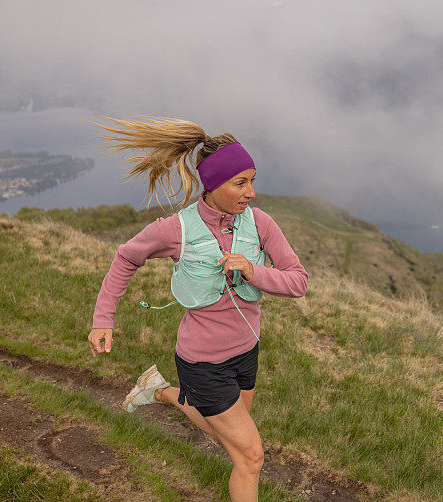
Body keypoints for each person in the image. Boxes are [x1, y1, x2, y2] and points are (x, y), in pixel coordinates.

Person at [87, 116, 308, 502]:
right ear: (212, 184)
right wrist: (103, 319)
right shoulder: (176, 229)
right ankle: (165, 392)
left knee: (226, 434)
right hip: (202, 361)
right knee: (250, 456)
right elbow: (125, 259)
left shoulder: (260, 223)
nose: (251, 193)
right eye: (240, 182)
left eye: (252, 180)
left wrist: (253, 270)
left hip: (246, 353)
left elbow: (297, 281)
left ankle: (159, 391)